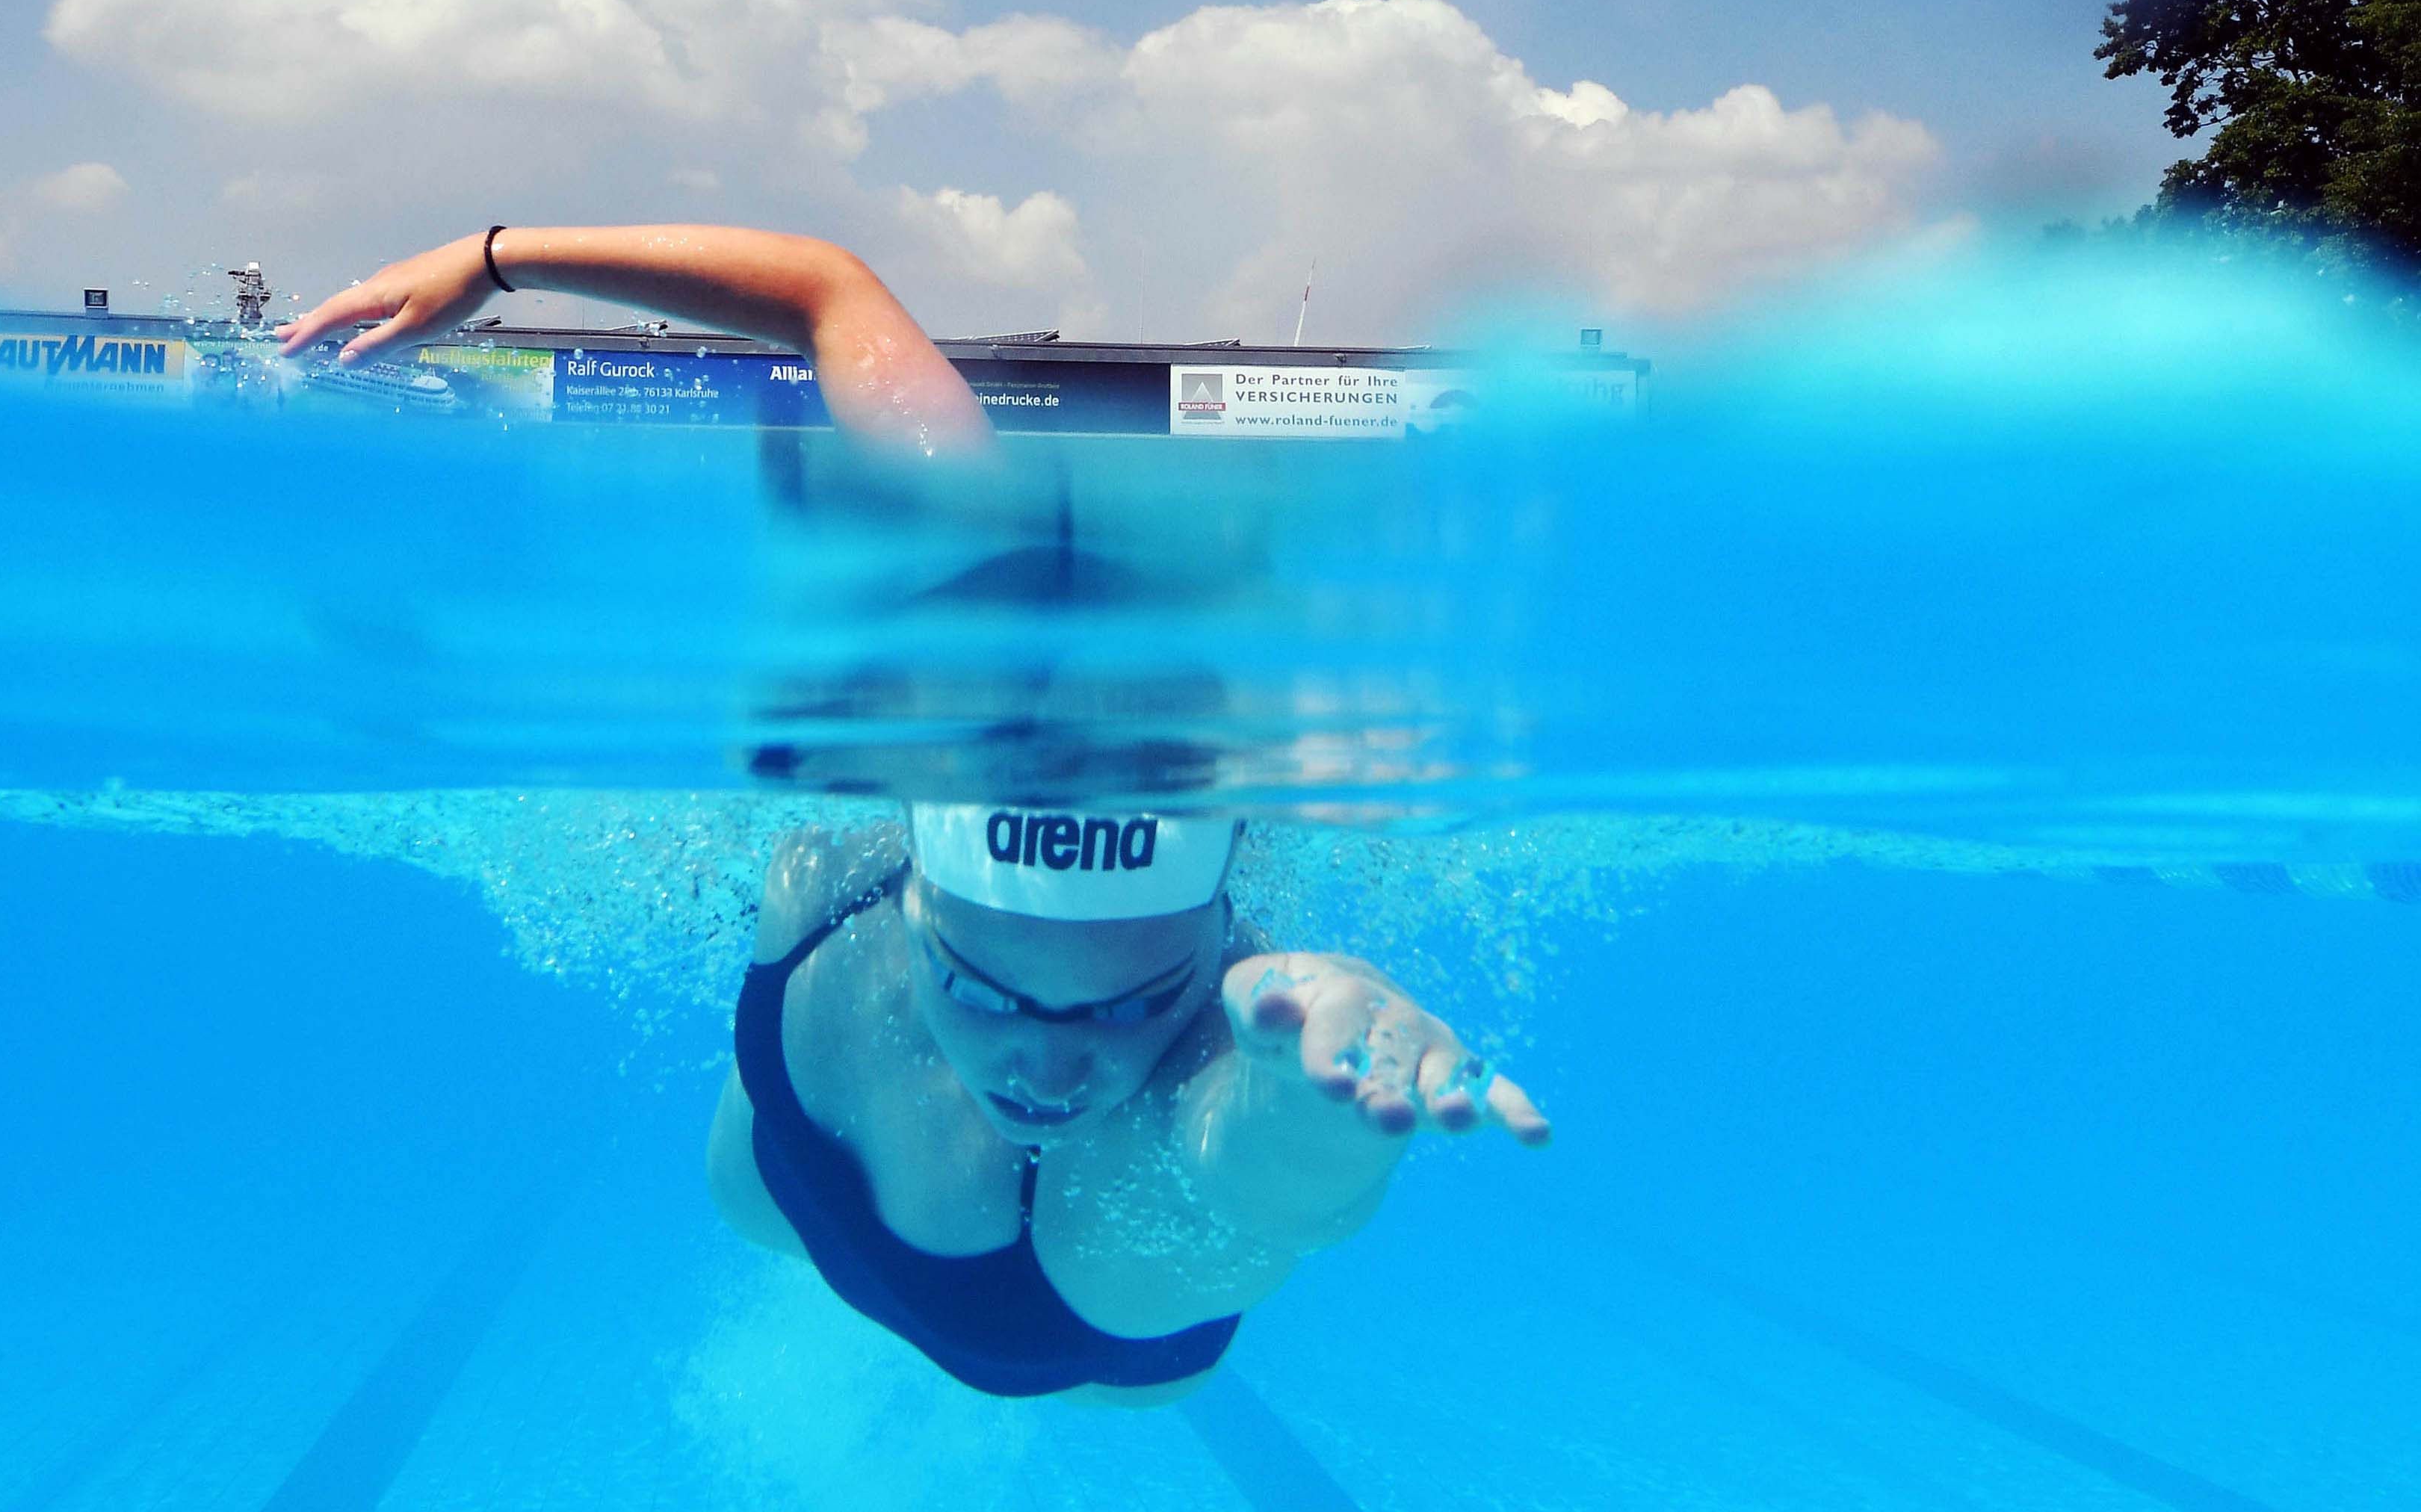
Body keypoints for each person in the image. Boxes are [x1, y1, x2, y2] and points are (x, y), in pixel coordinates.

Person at [282, 226, 1550, 1406]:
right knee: (755, 1166)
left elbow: (1262, 1172)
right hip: (793, 1183)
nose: (1049, 1066)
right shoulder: (837, 855)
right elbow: (825, 288)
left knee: (1150, 1362)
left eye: (1135, 1005)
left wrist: (1326, 1099)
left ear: (1217, 951)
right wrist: (494, 259)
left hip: (1089, 1331)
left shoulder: (1180, 1122)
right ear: (912, 891)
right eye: (988, 989)